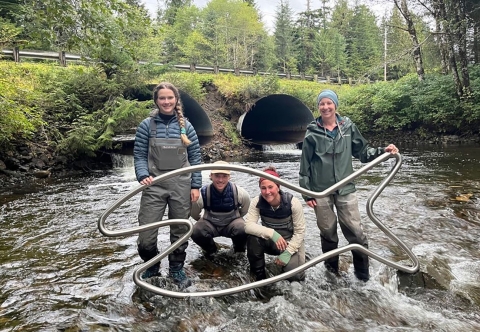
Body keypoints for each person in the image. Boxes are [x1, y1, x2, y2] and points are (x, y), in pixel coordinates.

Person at [299, 89, 399, 282]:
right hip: (321, 191)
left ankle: (363, 277)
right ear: (318, 107)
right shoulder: (312, 132)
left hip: (346, 189)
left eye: (329, 103)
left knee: (356, 233)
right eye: (322, 104)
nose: (326, 107)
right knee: (328, 233)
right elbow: (305, 165)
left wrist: (383, 151)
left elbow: (362, 152)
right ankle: (332, 273)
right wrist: (307, 193)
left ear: (335, 105)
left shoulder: (348, 127)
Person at [133, 82, 202, 288]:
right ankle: (152, 264)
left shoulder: (186, 127)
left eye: (170, 98)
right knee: (146, 236)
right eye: (162, 98)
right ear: (156, 101)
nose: (166, 102)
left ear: (176, 100)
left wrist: (195, 185)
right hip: (154, 185)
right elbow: (138, 155)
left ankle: (176, 269)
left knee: (180, 230)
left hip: (181, 185)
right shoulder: (146, 125)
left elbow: (196, 157)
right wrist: (142, 174)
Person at [245, 166, 306, 282]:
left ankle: (293, 262)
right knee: (252, 238)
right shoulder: (256, 202)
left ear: (278, 187)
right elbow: (248, 226)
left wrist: (288, 252)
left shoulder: (293, 203)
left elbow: (300, 232)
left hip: (290, 243)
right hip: (271, 241)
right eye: (263, 188)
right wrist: (272, 233)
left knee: (295, 277)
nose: (267, 192)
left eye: (270, 187)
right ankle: (259, 277)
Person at [190, 161, 250, 257]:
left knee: (243, 228)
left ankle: (238, 251)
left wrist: (238, 219)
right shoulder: (203, 194)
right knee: (196, 231)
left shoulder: (240, 193)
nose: (220, 180)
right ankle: (212, 250)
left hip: (232, 223)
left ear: (229, 177)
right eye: (217, 176)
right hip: (210, 224)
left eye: (224, 176)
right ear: (211, 176)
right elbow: (194, 213)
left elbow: (245, 209)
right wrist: (202, 220)